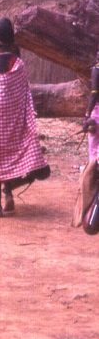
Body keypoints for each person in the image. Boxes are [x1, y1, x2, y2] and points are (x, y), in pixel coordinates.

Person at [0, 17, 51, 217]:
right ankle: (9, 195)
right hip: (11, 125)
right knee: (7, 156)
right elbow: (23, 97)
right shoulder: (18, 64)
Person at [78, 48, 99, 226]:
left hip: (97, 116)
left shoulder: (97, 70)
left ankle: (92, 203)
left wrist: (87, 115)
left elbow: (94, 94)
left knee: (94, 157)